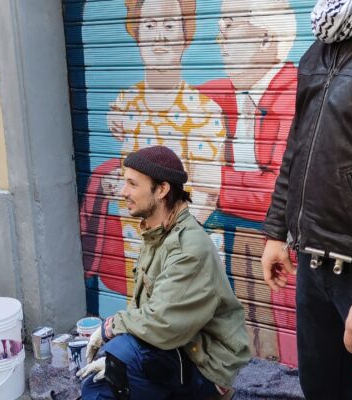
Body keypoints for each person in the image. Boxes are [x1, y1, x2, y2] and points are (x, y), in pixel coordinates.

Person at [262, 0, 352, 399]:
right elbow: (298, 144)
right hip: (313, 263)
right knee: (321, 390)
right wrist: (276, 230)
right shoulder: (322, 44)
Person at [78, 146, 251, 400]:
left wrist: (110, 328)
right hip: (176, 347)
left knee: (107, 376)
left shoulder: (187, 248)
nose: (123, 192)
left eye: (132, 184)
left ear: (161, 190)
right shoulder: (158, 232)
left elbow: (161, 322)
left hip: (204, 367)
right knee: (110, 371)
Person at [80, 0, 225, 299]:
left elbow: (207, 194)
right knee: (143, 315)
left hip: (184, 253)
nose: (159, 36)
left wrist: (170, 246)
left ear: (185, 34)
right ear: (136, 33)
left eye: (170, 25)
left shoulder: (204, 111)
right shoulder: (123, 104)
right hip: (137, 248)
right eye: (149, 25)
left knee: (179, 319)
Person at [197, 0, 298, 363]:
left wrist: (212, 180)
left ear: (266, 38)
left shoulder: (294, 95)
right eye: (219, 26)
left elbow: (278, 190)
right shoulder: (223, 93)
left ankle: (276, 366)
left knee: (276, 322)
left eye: (230, 25)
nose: (219, 37)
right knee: (244, 311)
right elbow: (178, 112)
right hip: (237, 232)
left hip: (280, 239)